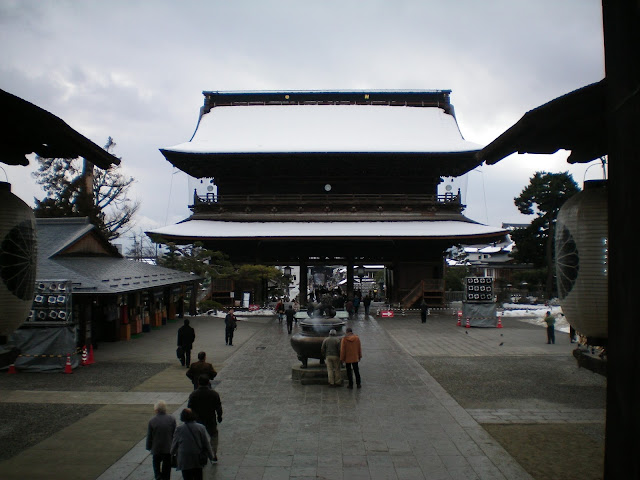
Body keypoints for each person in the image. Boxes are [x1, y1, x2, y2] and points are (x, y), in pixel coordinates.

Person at [171, 408, 214, 480]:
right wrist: (211, 456)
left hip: (184, 459)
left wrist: (171, 454)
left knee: (187, 477)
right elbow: (206, 443)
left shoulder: (179, 429)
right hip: (197, 457)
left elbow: (174, 444)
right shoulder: (201, 427)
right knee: (198, 476)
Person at [188, 375, 223, 463]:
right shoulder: (214, 394)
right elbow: (218, 407)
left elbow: (190, 408)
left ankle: (200, 453)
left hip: (198, 419)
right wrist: (219, 416)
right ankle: (213, 454)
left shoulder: (194, 394)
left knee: (198, 437)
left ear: (199, 383)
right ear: (208, 383)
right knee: (214, 435)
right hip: (210, 418)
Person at [146, 400, 176, 480]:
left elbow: (149, 436)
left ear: (156, 410)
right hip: (168, 448)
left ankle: (158, 477)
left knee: (156, 464)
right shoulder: (171, 419)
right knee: (167, 467)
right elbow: (174, 434)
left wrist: (148, 446)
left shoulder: (152, 421)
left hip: (156, 448)